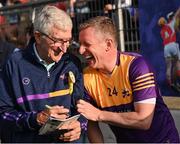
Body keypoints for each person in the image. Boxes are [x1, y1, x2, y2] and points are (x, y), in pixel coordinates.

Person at [77, 16, 179, 143]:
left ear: (108, 44)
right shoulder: (86, 77)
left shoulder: (137, 65)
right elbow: (91, 121)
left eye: (87, 44)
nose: (80, 50)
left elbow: (144, 120)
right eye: (80, 44)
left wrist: (99, 114)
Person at [0, 5, 87, 143]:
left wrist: (80, 126)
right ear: (38, 36)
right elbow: (3, 114)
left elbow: (84, 106)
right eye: (58, 41)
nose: (64, 48)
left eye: (68, 40)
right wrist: (36, 119)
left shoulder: (72, 62)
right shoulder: (14, 64)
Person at [158, 8, 180, 91]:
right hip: (173, 45)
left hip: (166, 47)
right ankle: (177, 81)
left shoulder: (161, 31)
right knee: (177, 63)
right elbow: (177, 14)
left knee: (168, 67)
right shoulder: (171, 24)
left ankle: (171, 83)